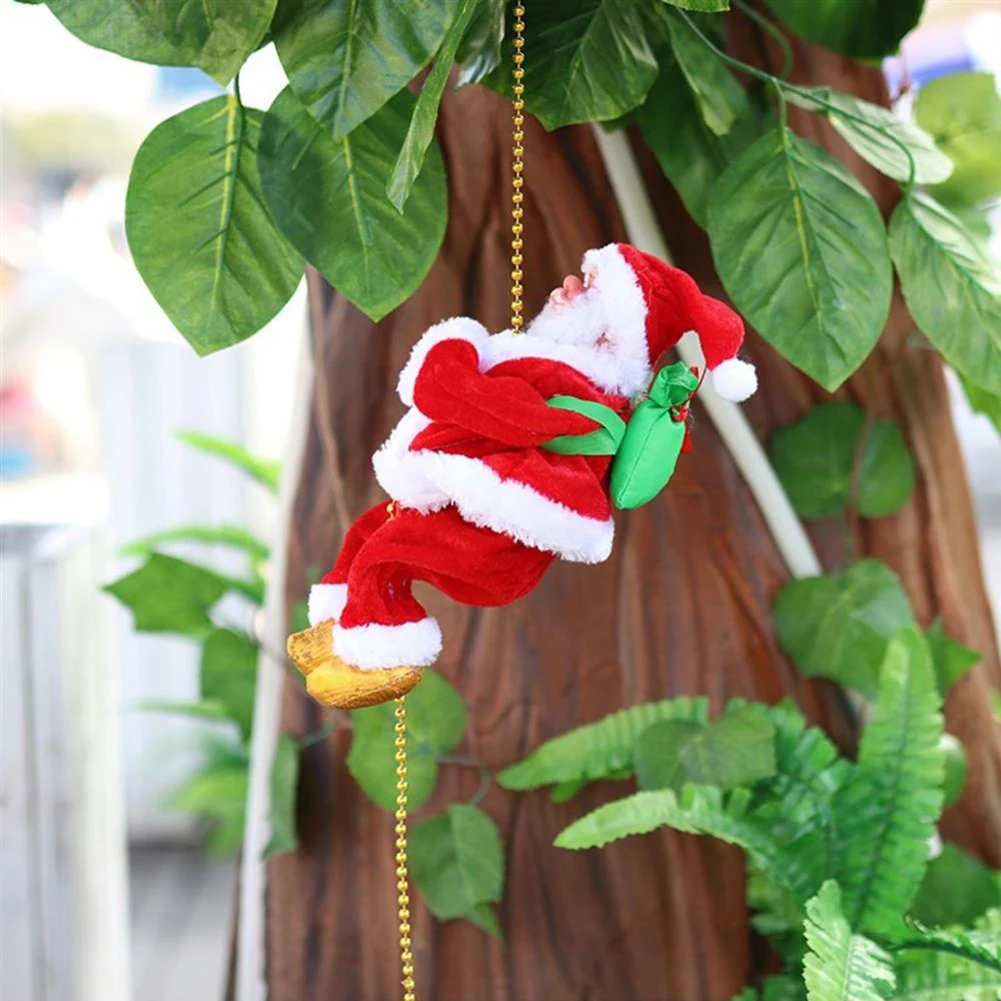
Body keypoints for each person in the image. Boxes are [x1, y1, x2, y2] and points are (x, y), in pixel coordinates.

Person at [306, 243, 757, 671]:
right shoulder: (564, 372)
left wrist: (453, 352)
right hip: (478, 512)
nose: (568, 286)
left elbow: (507, 412)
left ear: (612, 332)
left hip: (495, 533)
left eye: (588, 288)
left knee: (387, 553)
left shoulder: (575, 385)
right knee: (371, 529)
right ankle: (340, 613)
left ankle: (375, 641)